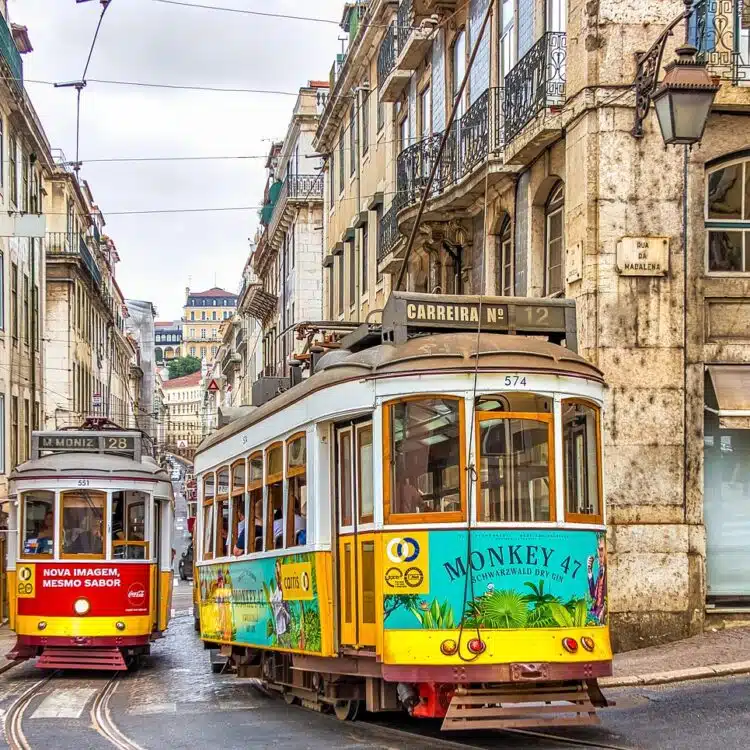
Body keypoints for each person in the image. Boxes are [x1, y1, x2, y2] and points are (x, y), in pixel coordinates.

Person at [587, 533, 607, 624]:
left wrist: (603, 610)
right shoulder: (600, 570)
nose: (599, 554)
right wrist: (589, 571)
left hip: (601, 615)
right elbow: (593, 594)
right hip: (595, 612)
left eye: (601, 550)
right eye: (598, 550)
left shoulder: (607, 572)